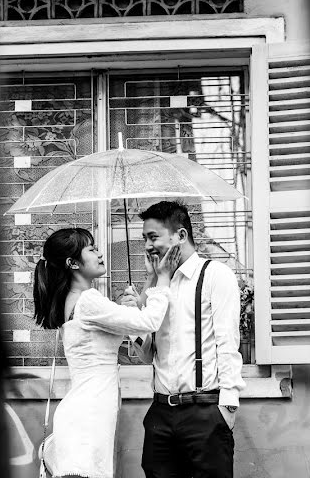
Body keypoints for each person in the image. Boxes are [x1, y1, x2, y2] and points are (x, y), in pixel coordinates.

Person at [34, 227, 178, 478]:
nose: (100, 254)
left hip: (86, 412)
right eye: (92, 249)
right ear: (73, 263)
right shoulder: (89, 300)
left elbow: (133, 319)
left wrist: (149, 279)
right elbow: (149, 322)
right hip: (88, 416)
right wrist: (163, 278)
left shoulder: (77, 299)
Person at [124, 200, 245, 478]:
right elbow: (144, 356)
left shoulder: (215, 275)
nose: (147, 245)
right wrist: (140, 301)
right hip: (160, 413)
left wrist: (227, 406)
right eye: (144, 238)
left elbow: (228, 343)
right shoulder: (155, 283)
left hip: (204, 411)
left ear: (180, 235)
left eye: (153, 237)